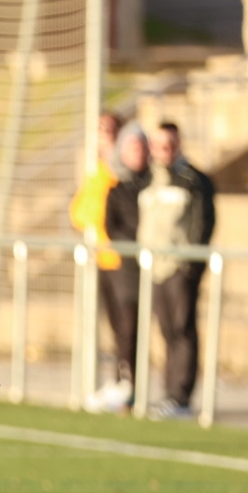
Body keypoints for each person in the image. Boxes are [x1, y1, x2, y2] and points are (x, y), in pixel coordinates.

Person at [140, 122, 215, 420]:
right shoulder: (149, 180)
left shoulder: (193, 179)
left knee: (183, 328)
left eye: (170, 144)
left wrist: (191, 265)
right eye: (159, 145)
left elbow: (203, 222)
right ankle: (169, 391)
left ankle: (181, 396)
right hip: (155, 266)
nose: (164, 151)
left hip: (180, 267)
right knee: (167, 330)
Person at [70, 112, 127, 404]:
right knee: (111, 324)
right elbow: (80, 211)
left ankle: (126, 384)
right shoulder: (95, 169)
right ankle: (116, 382)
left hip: (120, 256)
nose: (102, 134)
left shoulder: (119, 168)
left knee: (126, 324)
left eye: (108, 129)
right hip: (101, 256)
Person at [99, 123, 152, 414]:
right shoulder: (116, 188)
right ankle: (125, 387)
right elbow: (111, 226)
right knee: (125, 328)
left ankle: (171, 394)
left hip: (156, 268)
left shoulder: (156, 183)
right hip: (125, 269)